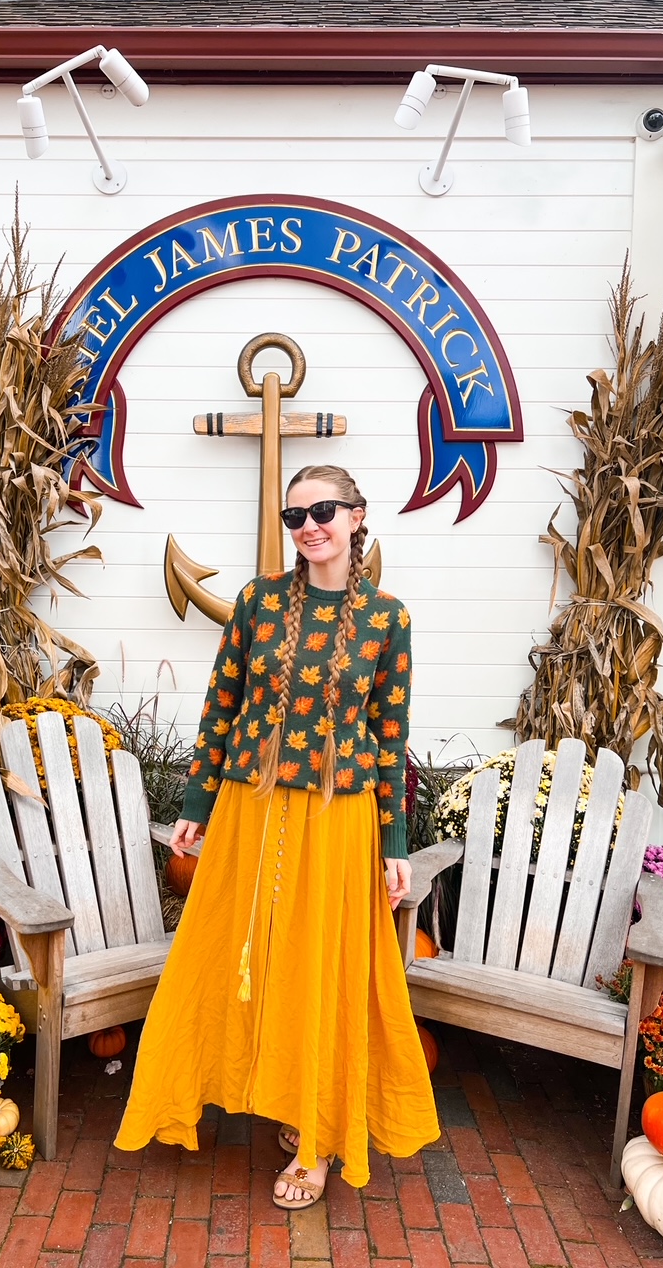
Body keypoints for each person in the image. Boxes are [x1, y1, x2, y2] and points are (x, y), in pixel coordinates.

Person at [114, 464, 440, 1207]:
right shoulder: (258, 605)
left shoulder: (389, 620)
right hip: (248, 807)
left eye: (323, 510)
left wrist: (395, 845)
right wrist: (198, 796)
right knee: (224, 951)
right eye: (295, 517)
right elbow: (220, 704)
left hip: (338, 817)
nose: (309, 526)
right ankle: (234, 1089)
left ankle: (319, 1133)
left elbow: (391, 739)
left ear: (358, 516)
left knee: (319, 968)